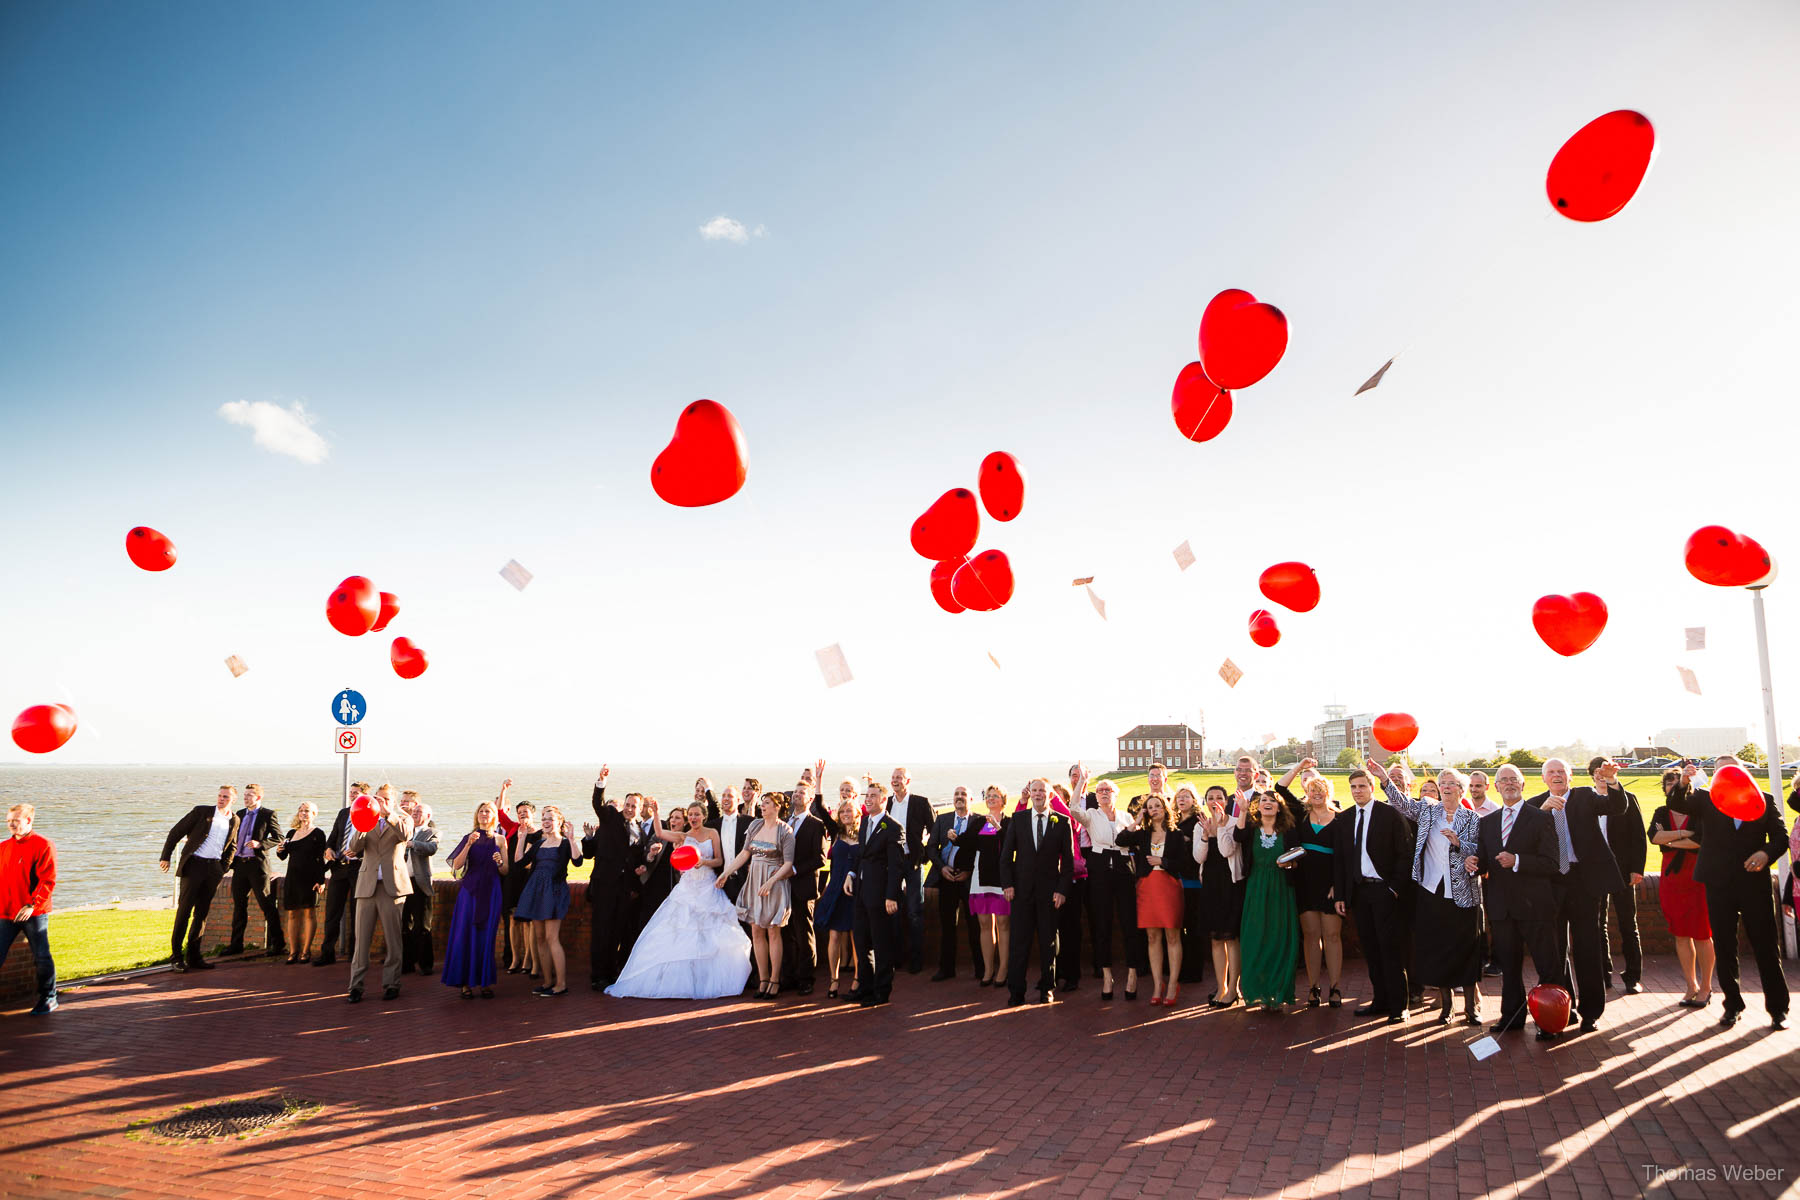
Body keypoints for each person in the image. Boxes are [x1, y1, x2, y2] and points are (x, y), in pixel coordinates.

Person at [1665, 758, 1789, 1030]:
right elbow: (1676, 803)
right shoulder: (1706, 798)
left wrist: (1765, 853)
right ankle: (1732, 1006)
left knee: (1766, 946)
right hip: (1718, 883)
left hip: (1754, 883)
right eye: (1720, 768)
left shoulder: (1764, 799)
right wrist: (1684, 781)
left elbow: (1781, 837)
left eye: (1732, 767)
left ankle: (1778, 1009)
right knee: (1724, 945)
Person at [1372, 762, 1485, 1026]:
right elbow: (1402, 804)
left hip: (1463, 894)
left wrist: (1461, 844)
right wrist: (1385, 779)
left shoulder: (1472, 818)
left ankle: (1471, 1007)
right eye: (1442, 782)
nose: (1445, 787)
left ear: (1461, 790)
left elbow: (1480, 849)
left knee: (1466, 951)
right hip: (1431, 890)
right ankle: (1446, 1008)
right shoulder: (1427, 810)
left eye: (1451, 784)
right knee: (1438, 950)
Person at [607, 800, 751, 1000]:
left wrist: (704, 862)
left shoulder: (712, 834)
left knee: (709, 933)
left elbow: (719, 860)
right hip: (687, 887)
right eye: (690, 815)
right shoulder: (684, 836)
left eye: (696, 814)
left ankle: (705, 978)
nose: (693, 818)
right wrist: (656, 812)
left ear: (703, 816)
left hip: (707, 885)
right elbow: (660, 833)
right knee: (681, 930)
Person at [1527, 757, 1628, 1034]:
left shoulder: (1584, 796)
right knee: (1555, 950)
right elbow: (1523, 839)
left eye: (1562, 771)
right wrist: (1542, 813)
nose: (1557, 776)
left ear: (1570, 776)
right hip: (1552, 883)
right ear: (1544, 778)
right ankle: (1561, 1010)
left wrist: (1611, 782)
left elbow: (1617, 806)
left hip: (1583, 881)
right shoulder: (1534, 805)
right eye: (1552, 772)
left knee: (1587, 946)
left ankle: (1591, 1012)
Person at [1469, 765, 1562, 1037]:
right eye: (1503, 780)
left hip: (1535, 906)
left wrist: (1518, 861)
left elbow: (1552, 862)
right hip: (1501, 907)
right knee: (1509, 967)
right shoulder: (1486, 822)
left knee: (1548, 965)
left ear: (1522, 785)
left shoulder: (1541, 818)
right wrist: (1474, 862)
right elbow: (1486, 861)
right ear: (1495, 787)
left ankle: (1551, 1020)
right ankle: (1512, 1016)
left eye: (1513, 780)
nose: (1509, 784)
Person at [1333, 768, 1415, 1024]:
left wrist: (1394, 888)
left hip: (1384, 891)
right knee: (1370, 949)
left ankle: (1399, 1005)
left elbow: (1405, 853)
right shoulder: (1344, 818)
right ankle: (1380, 1000)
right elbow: (1341, 861)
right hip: (1359, 893)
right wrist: (1341, 894)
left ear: (1371, 787)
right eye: (1353, 787)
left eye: (1362, 786)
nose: (1358, 791)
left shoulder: (1389, 814)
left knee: (1390, 949)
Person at [1000, 778, 1074, 1006]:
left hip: (1050, 894)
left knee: (1049, 942)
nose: (1039, 793)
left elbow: (1068, 862)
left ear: (1050, 795)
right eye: (1035, 790)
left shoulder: (1062, 822)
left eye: (1043, 790)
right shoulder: (1019, 819)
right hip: (1021, 893)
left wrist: (1062, 890)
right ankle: (1016, 992)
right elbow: (1006, 857)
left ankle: (1047, 988)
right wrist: (1008, 885)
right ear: (1029, 794)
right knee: (1018, 943)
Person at [1276, 760, 1343, 1008]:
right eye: (1312, 790)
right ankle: (1314, 986)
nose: (1316, 794)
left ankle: (1335, 987)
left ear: (1329, 793)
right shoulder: (1300, 813)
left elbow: (1345, 856)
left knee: (1333, 935)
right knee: (1311, 936)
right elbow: (1280, 788)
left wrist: (1338, 885)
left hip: (1330, 885)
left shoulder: (1341, 819)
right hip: (1305, 882)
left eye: (1321, 790)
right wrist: (1299, 766)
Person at [1071, 768, 1140, 1001]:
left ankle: (1132, 973)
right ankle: (1107, 975)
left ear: (1115, 794)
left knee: (1129, 921)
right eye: (1100, 790)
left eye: (1108, 790)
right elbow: (1072, 809)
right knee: (1102, 922)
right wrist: (1081, 782)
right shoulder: (1091, 814)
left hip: (1123, 866)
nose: (1103, 793)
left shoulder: (1126, 817)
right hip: (1099, 866)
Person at [720, 790, 797, 998]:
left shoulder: (785, 831)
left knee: (773, 931)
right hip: (754, 881)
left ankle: (775, 980)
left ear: (777, 807)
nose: (762, 806)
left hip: (774, 883)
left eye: (767, 803)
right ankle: (762, 980)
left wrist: (772, 881)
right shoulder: (754, 825)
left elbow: (789, 863)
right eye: (762, 803)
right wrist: (726, 873)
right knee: (756, 931)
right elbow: (745, 853)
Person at [1647, 768, 1713, 1009]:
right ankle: (1691, 985)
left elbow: (1700, 840)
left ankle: (1706, 986)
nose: (1673, 785)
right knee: (1681, 933)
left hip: (1698, 877)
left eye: (1678, 782)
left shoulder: (1699, 811)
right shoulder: (1661, 812)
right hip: (1671, 879)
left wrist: (1670, 839)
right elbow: (1654, 837)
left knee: (1702, 933)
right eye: (1669, 782)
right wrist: (1684, 834)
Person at [159, 785, 243, 971]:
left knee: (202, 914)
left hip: (213, 869)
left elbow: (232, 846)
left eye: (226, 797)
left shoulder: (234, 819)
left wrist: (223, 867)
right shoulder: (201, 812)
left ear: (233, 800)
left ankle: (194, 956)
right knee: (184, 912)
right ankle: (176, 957)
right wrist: (166, 856)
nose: (221, 799)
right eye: (220, 795)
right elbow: (175, 832)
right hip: (194, 866)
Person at [1116, 793, 1188, 1006]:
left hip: (1169, 887)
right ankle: (1158, 985)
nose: (1154, 809)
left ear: (1165, 808)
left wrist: (1162, 861)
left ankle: (1173, 983)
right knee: (1152, 937)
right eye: (1150, 806)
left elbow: (1183, 864)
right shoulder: (1142, 833)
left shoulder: (1176, 834)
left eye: (1158, 805)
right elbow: (1120, 840)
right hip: (1147, 887)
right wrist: (1136, 821)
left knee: (1172, 937)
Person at [346, 791, 415, 1003]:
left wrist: (388, 815)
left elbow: (405, 836)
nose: (381, 802)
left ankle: (392, 984)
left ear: (392, 802)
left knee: (393, 940)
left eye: (385, 799)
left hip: (392, 886)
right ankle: (355, 986)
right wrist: (363, 824)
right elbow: (354, 848)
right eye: (378, 799)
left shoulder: (403, 819)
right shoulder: (366, 819)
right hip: (367, 885)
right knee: (361, 940)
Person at [1235, 791, 1300, 1013]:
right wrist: (1242, 811)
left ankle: (1279, 992)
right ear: (1258, 806)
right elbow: (1237, 836)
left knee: (1280, 939)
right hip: (1256, 889)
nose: (1268, 804)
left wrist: (1290, 865)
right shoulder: (1252, 829)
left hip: (1281, 890)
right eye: (1264, 801)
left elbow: (1297, 859)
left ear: (1280, 807)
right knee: (1256, 938)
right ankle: (1259, 993)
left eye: (1273, 801)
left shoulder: (1289, 831)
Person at [1589, 757, 1647, 994]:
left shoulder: (1628, 798)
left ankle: (1633, 976)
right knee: (1597, 924)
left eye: (1606, 771)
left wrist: (1637, 868)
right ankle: (1604, 974)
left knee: (1627, 923)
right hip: (1595, 870)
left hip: (1622, 870)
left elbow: (1638, 836)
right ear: (1592, 775)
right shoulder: (1585, 799)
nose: (1601, 776)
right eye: (1597, 772)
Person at [442, 801, 510, 999]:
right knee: (465, 934)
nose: (484, 814)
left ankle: (484, 982)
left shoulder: (500, 839)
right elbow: (456, 864)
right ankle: (465, 983)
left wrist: (499, 862)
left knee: (486, 936)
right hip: (470, 891)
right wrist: (469, 844)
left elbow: (505, 870)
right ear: (476, 815)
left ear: (494, 816)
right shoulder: (469, 837)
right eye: (481, 811)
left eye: (488, 811)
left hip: (491, 891)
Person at [583, 765, 640, 990]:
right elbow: (598, 803)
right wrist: (601, 782)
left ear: (639, 809)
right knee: (601, 932)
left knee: (617, 931)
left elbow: (635, 860)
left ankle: (614, 971)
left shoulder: (640, 831)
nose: (629, 808)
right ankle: (598, 976)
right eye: (627, 804)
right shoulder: (610, 817)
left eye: (634, 806)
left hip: (624, 890)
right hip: (604, 886)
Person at [515, 803, 582, 997]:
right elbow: (519, 863)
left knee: (552, 938)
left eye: (550, 818)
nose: (545, 821)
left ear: (559, 822)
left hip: (555, 892)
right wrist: (521, 839)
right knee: (539, 939)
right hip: (535, 891)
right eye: (543, 818)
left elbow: (578, 862)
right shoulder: (538, 844)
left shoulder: (563, 843)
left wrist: (571, 840)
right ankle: (547, 982)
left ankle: (561, 984)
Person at [851, 781, 907, 1007]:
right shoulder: (864, 822)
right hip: (861, 893)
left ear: (883, 800)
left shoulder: (893, 827)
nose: (868, 799)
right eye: (867, 795)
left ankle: (881, 992)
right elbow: (861, 856)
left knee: (881, 945)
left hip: (881, 895)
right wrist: (852, 875)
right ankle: (865, 990)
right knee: (862, 943)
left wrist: (891, 896)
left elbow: (896, 866)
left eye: (874, 796)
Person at [0, 804, 57, 1015]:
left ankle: (49, 997)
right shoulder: (3, 847)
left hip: (34, 914)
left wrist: (32, 904)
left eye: (16, 820)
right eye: (8, 821)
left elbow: (47, 880)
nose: (11, 825)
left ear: (28, 821)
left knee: (41, 956)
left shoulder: (43, 845)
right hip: (5, 913)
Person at [958, 785, 1012, 989]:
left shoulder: (1009, 822)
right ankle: (988, 969)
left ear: (1003, 800)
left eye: (995, 796)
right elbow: (967, 843)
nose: (990, 799)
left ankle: (1003, 968)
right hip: (980, 876)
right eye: (988, 796)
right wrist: (954, 837)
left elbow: (1009, 842)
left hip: (1002, 877)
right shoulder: (980, 821)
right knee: (984, 924)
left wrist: (997, 827)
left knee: (1003, 924)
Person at [1194, 785, 1243, 1007]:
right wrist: (1205, 835)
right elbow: (1198, 857)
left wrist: (1221, 827)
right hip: (1211, 885)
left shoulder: (1233, 823)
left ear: (1227, 800)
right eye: (1211, 797)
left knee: (1231, 937)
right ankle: (1221, 986)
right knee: (1215, 939)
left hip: (1230, 885)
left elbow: (1226, 851)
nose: (1215, 801)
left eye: (1220, 797)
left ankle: (1233, 988)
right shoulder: (1200, 825)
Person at [926, 785, 981, 982]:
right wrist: (942, 868)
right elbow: (931, 848)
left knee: (975, 926)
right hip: (947, 878)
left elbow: (983, 852)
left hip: (970, 880)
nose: (959, 797)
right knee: (948, 926)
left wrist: (969, 871)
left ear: (971, 799)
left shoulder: (979, 821)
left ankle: (981, 969)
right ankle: (946, 969)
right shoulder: (942, 820)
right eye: (956, 794)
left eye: (964, 794)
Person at [224, 783, 285, 958]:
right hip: (240, 866)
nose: (245, 798)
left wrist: (261, 844)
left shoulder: (267, 814)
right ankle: (236, 945)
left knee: (266, 905)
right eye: (244, 795)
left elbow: (278, 837)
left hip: (257, 866)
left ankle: (278, 944)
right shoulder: (239, 815)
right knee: (239, 907)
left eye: (249, 795)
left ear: (258, 797)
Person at [313, 783, 369, 968]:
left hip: (358, 868)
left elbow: (371, 844)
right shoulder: (343, 813)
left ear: (364, 796)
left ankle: (355, 954)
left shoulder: (369, 815)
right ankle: (327, 953)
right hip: (338, 867)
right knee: (332, 913)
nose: (352, 796)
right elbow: (333, 836)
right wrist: (328, 849)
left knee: (356, 913)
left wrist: (359, 853)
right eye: (351, 793)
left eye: (356, 793)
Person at [813, 793, 863, 1000]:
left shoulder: (865, 834)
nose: (845, 814)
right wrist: (818, 783)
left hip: (857, 892)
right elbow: (822, 809)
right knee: (834, 935)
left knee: (856, 938)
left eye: (849, 810)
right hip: (835, 890)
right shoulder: (836, 833)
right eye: (842, 811)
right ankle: (833, 980)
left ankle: (858, 980)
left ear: (858, 813)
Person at [781, 782, 828, 995]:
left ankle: (806, 978)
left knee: (804, 934)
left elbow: (820, 857)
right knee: (785, 933)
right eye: (796, 792)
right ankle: (788, 976)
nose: (798, 795)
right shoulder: (785, 822)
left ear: (810, 799)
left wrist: (796, 870)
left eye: (803, 793)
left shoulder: (816, 824)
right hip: (783, 887)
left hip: (803, 886)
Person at [890, 767, 934, 975]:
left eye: (899, 777)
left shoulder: (920, 802)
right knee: (893, 910)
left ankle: (916, 960)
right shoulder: (887, 803)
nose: (895, 781)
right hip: (893, 864)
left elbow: (935, 831)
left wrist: (924, 853)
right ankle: (896, 958)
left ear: (908, 781)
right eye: (893, 778)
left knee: (915, 911)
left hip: (914, 862)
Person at [276, 802, 328, 963]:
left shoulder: (318, 833)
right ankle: (293, 952)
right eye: (301, 811)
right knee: (291, 914)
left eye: (307, 811)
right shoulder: (291, 833)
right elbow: (283, 856)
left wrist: (321, 880)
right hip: (293, 877)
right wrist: (279, 850)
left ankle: (306, 951)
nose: (303, 814)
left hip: (310, 879)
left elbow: (321, 858)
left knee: (308, 913)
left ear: (314, 814)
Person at [1169, 781, 1207, 987]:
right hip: (1174, 879)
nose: (1182, 799)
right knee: (1177, 927)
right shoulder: (1172, 821)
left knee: (1193, 927)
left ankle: (1194, 970)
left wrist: (1184, 840)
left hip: (1192, 879)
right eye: (1179, 796)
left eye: (1186, 796)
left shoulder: (1197, 822)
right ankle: (1180, 968)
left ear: (1194, 800)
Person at [398, 791, 438, 976]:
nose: (415, 814)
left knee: (423, 925)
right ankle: (406, 962)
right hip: (401, 882)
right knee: (404, 923)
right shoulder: (404, 829)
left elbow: (432, 848)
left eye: (419, 812)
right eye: (414, 812)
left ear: (428, 816)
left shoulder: (432, 832)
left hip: (420, 883)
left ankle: (425, 963)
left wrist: (413, 844)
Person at [501, 799, 540, 976]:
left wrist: (525, 836)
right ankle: (515, 959)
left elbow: (528, 862)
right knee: (513, 919)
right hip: (512, 879)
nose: (522, 814)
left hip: (528, 879)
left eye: (526, 811)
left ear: (533, 814)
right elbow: (500, 813)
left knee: (527, 922)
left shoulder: (538, 833)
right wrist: (504, 790)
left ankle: (528, 959)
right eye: (519, 812)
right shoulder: (513, 829)